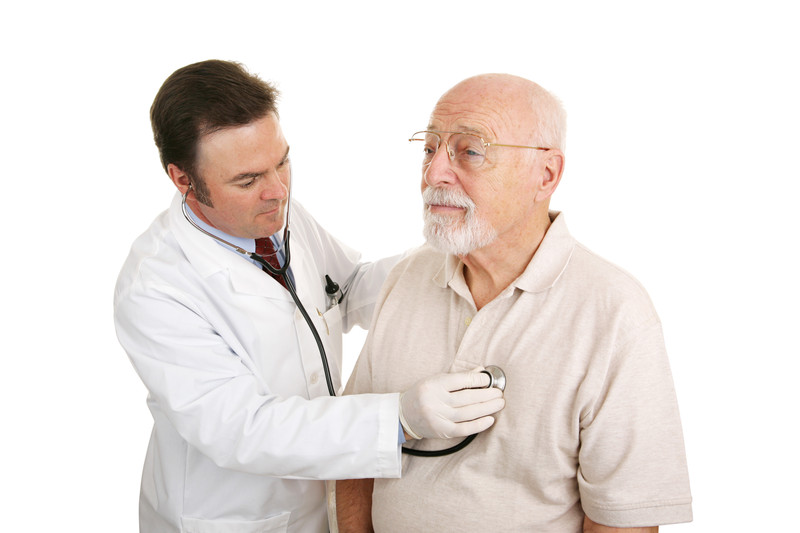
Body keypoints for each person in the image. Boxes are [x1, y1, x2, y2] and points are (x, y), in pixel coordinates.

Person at [113, 60, 505, 533]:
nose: (277, 191)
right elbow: (242, 429)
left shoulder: (271, 210)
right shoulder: (156, 288)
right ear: (183, 180)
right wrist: (398, 419)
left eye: (282, 161)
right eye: (248, 179)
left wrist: (441, 254)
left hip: (320, 498)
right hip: (232, 517)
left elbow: (345, 290)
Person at [336, 74, 692, 532]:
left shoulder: (614, 311)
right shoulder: (407, 277)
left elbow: (624, 521)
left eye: (470, 151)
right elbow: (353, 448)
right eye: (430, 149)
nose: (433, 173)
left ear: (546, 175)